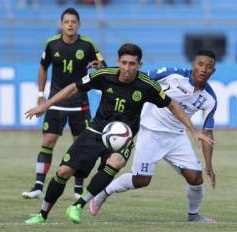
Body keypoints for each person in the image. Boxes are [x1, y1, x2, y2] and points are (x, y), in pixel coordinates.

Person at [24, 43, 214, 224]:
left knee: (117, 162)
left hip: (124, 137)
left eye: (132, 64)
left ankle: (78, 205)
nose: (127, 68)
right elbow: (74, 87)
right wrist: (45, 105)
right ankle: (42, 215)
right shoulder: (104, 75)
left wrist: (193, 131)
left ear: (140, 65)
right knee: (63, 171)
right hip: (96, 131)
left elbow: (172, 105)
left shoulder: (147, 86)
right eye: (123, 63)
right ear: (118, 62)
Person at [89, 50, 217, 222]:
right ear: (193, 65)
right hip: (151, 131)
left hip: (176, 138)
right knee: (142, 180)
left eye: (208, 67)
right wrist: (106, 69)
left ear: (213, 71)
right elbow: (136, 76)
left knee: (196, 177)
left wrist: (209, 164)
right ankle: (103, 193)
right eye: (200, 64)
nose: (203, 69)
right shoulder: (173, 75)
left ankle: (193, 216)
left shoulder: (210, 99)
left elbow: (208, 133)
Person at [22, 7, 106, 200]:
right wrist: (41, 94)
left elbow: (104, 67)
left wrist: (98, 66)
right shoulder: (52, 44)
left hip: (80, 103)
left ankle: (78, 189)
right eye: (66, 21)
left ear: (79, 24)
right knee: (48, 141)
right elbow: (43, 68)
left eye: (73, 21)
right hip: (56, 102)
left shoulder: (88, 45)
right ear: (61, 24)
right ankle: (38, 187)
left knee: (80, 146)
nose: (70, 24)